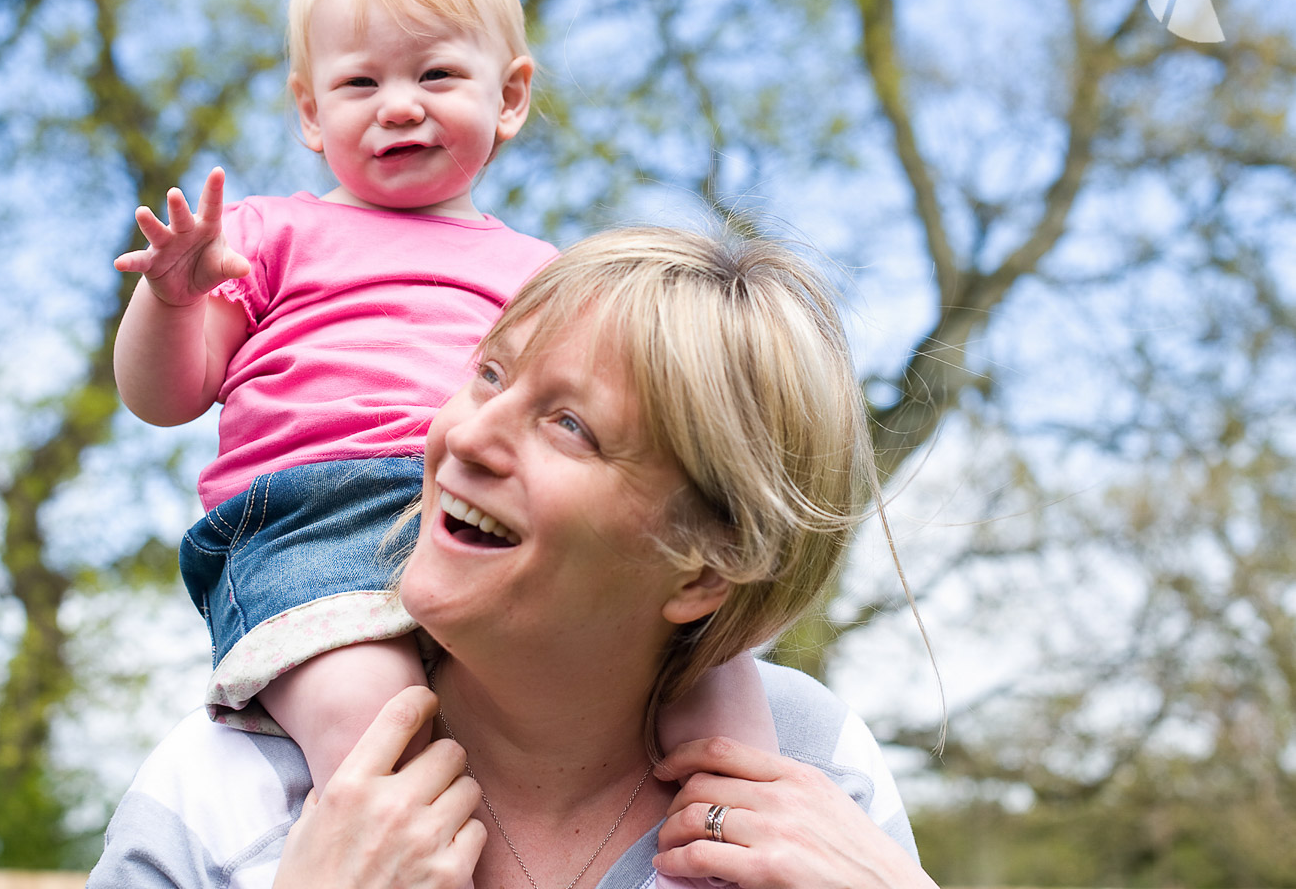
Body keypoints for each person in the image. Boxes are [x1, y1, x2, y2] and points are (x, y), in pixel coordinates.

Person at [110, 0, 779, 803]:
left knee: (707, 654)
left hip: (500, 517)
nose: (397, 107)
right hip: (312, 518)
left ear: (508, 97)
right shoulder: (267, 235)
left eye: (434, 77)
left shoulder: (546, 272)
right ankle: (407, 850)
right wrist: (171, 301)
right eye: (359, 84)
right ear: (310, 114)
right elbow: (165, 397)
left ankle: (737, 812)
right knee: (375, 729)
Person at [89, 227, 941, 889]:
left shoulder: (818, 768)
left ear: (705, 570)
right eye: (491, 375)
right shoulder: (222, 786)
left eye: (571, 426)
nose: (466, 433)